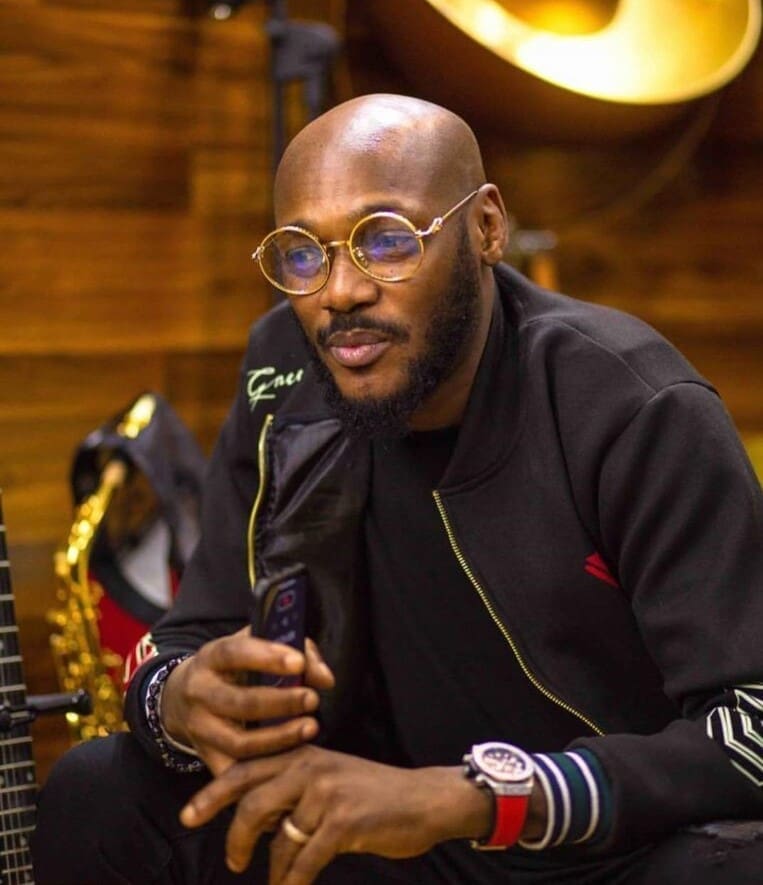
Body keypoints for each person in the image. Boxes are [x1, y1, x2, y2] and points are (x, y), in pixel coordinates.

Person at [32, 93, 763, 884]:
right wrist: (177, 702)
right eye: (302, 254)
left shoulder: (628, 403)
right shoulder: (286, 367)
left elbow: (749, 727)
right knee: (99, 790)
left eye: (384, 240)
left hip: (607, 848)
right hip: (383, 830)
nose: (338, 291)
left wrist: (473, 796)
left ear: (485, 228)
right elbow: (191, 634)